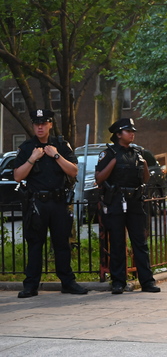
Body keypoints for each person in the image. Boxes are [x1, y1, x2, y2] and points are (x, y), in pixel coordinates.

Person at [13, 109, 87, 298]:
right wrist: (32, 159)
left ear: (50, 125)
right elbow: (17, 176)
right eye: (37, 123)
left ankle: (68, 282)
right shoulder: (27, 147)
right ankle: (31, 285)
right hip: (37, 203)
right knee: (35, 244)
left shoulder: (61, 145)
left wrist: (55, 155)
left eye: (44, 123)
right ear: (33, 126)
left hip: (59, 202)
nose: (40, 127)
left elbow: (73, 171)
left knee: (62, 244)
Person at [95, 118, 160, 294]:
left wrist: (145, 164)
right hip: (116, 201)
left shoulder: (137, 152)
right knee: (117, 243)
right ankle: (118, 281)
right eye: (127, 131)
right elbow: (99, 178)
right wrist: (114, 161)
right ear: (118, 134)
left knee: (140, 242)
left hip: (134, 202)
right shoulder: (108, 153)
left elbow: (145, 179)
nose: (132, 134)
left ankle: (147, 281)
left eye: (133, 131)